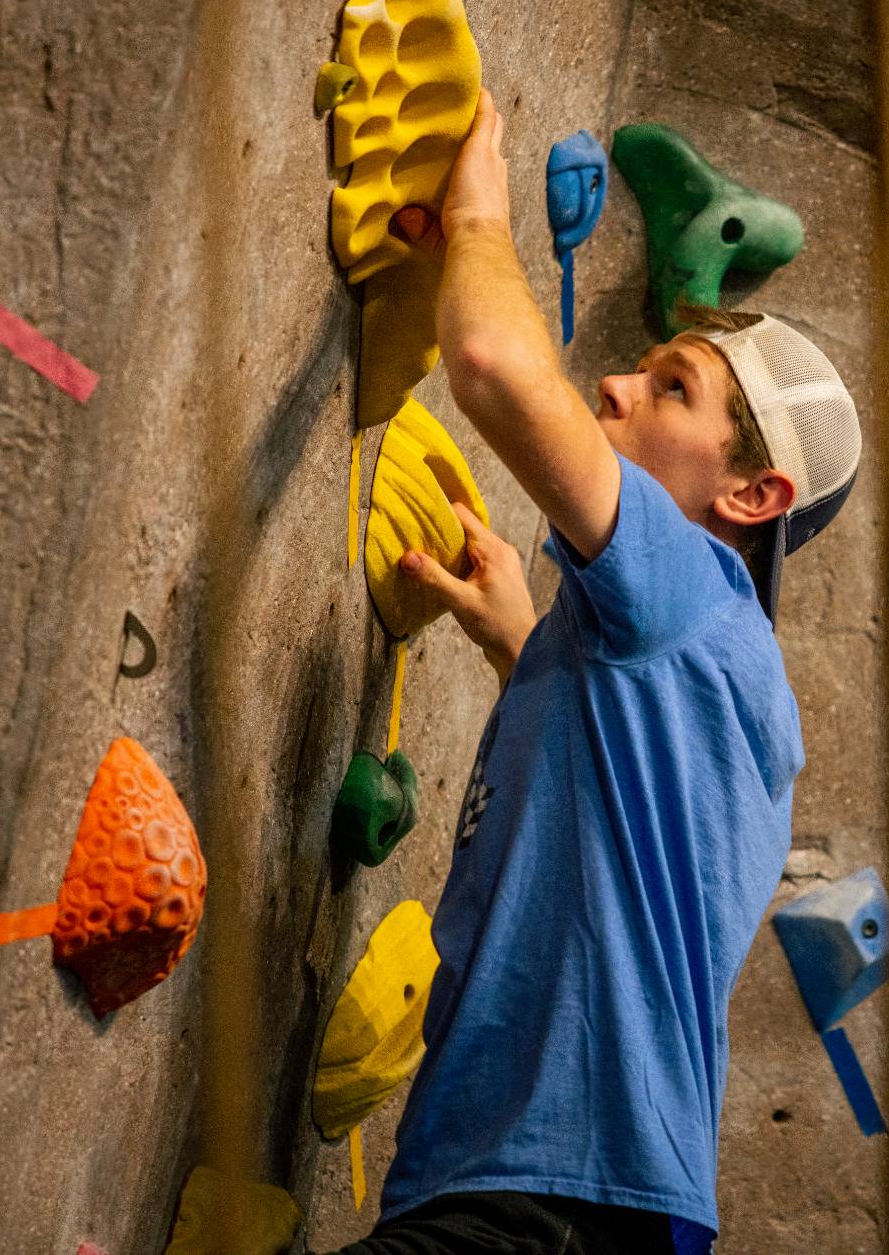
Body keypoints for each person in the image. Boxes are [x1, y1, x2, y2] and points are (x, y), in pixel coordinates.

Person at [331, 88, 861, 1255]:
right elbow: (628, 815)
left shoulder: (692, 590)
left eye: (671, 388)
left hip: (554, 1201)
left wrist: (478, 219)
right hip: (586, 1203)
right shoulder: (714, 672)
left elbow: (493, 365)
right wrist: (524, 643)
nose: (615, 386)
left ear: (752, 495)